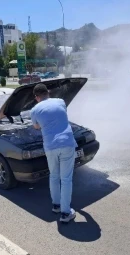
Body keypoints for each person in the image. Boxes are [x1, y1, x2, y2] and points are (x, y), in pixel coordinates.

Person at [30, 83, 77, 223]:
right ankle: (65, 212)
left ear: (36, 97)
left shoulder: (34, 110)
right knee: (66, 179)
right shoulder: (60, 101)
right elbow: (62, 116)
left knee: (54, 176)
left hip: (50, 146)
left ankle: (56, 206)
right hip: (67, 143)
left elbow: (36, 126)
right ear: (48, 92)